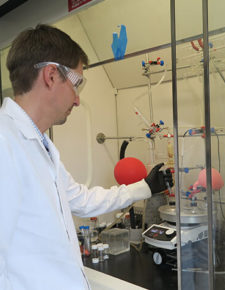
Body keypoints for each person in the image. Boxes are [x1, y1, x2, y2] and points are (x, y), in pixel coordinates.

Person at [0, 24, 173, 290]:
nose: (78, 100)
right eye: (77, 83)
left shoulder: (40, 144)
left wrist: (144, 188)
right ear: (51, 75)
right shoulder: (5, 142)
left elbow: (81, 199)